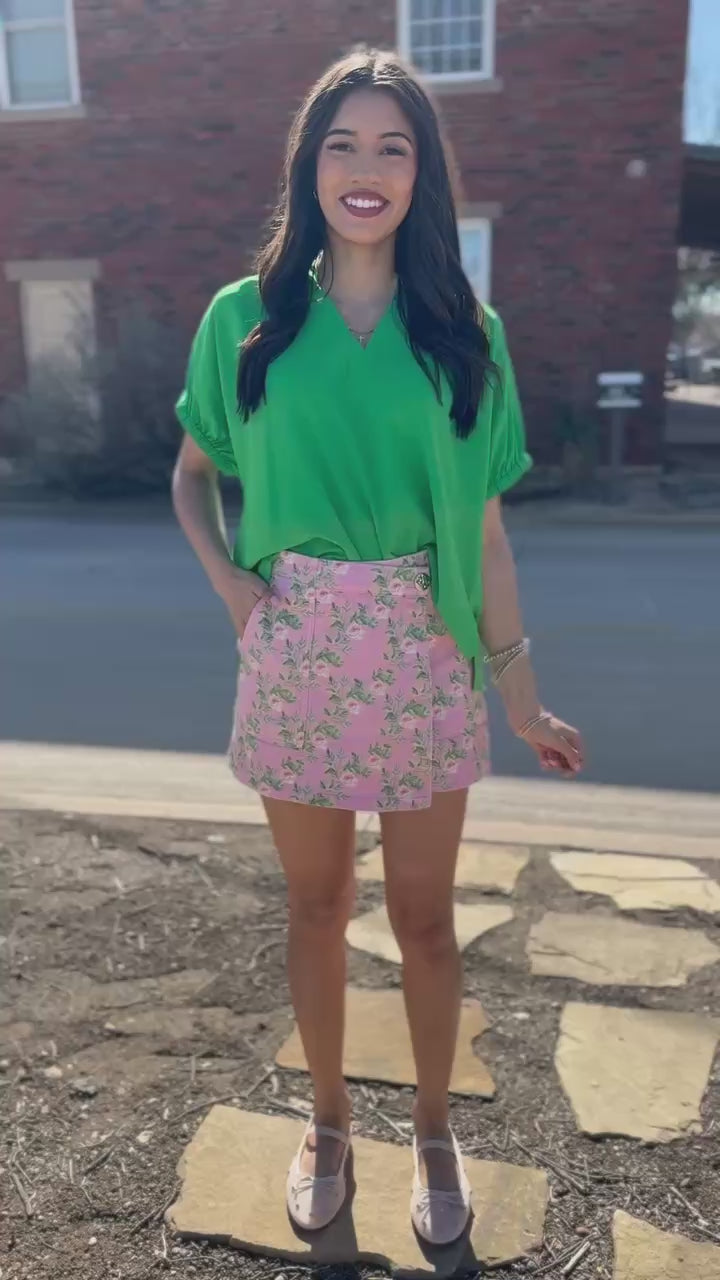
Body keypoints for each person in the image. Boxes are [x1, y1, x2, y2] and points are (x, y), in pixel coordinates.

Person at [172, 47, 583, 1247]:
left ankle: (440, 1126)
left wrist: (525, 691)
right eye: (342, 144)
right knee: (314, 902)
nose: (366, 168)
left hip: (422, 643)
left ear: (422, 174)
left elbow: (490, 533)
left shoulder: (465, 329)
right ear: (311, 166)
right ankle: (332, 1116)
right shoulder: (247, 318)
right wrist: (237, 595)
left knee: (424, 919)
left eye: (392, 147)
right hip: (295, 639)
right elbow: (194, 481)